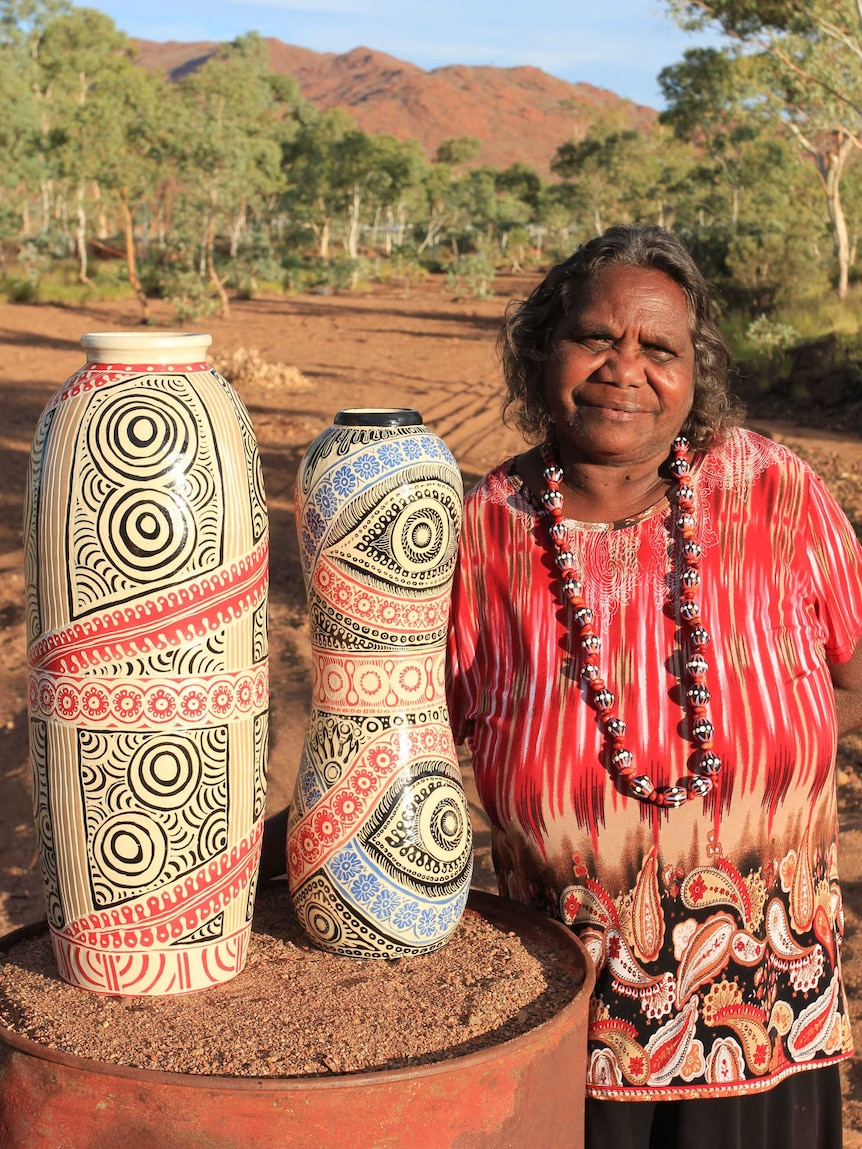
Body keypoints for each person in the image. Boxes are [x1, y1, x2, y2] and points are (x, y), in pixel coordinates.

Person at [444, 224, 862, 1148]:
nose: (623, 368)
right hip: (568, 1021)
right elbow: (413, 741)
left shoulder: (774, 490)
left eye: (659, 348)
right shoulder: (482, 532)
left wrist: (775, 771)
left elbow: (856, 666)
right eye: (595, 337)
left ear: (694, 370)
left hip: (768, 1009)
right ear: (542, 346)